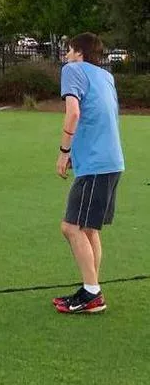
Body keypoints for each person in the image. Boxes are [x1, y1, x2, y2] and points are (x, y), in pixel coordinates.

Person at [53, 33, 124, 314]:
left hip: (96, 164)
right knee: (89, 228)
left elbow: (74, 113)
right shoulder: (106, 76)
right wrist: (77, 154)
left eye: (69, 50)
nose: (67, 55)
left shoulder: (72, 70)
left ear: (79, 52)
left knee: (70, 227)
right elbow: (103, 115)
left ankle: (92, 294)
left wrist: (64, 150)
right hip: (111, 161)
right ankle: (91, 288)